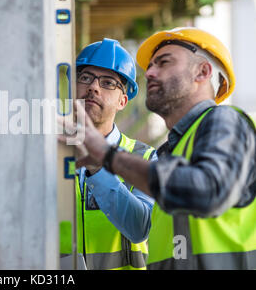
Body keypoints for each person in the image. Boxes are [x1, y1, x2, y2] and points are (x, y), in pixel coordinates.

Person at [61, 28, 256, 270]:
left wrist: (106, 157)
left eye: (164, 63)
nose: (150, 72)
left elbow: (207, 189)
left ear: (202, 72)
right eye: (150, 66)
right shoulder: (173, 151)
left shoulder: (225, 122)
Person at [60, 38, 157, 270]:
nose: (93, 87)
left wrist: (97, 167)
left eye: (108, 83)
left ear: (123, 100)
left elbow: (138, 227)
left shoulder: (145, 159)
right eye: (85, 78)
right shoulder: (49, 152)